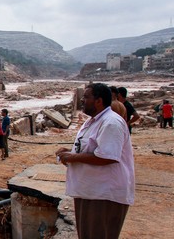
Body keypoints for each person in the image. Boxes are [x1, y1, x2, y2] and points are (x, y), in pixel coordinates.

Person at [56, 83, 134, 239]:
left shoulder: (111, 123)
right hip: (91, 191)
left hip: (104, 194)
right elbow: (90, 149)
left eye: (86, 97)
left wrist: (72, 157)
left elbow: (107, 156)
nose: (83, 100)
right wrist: (70, 153)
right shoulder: (92, 121)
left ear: (98, 101)